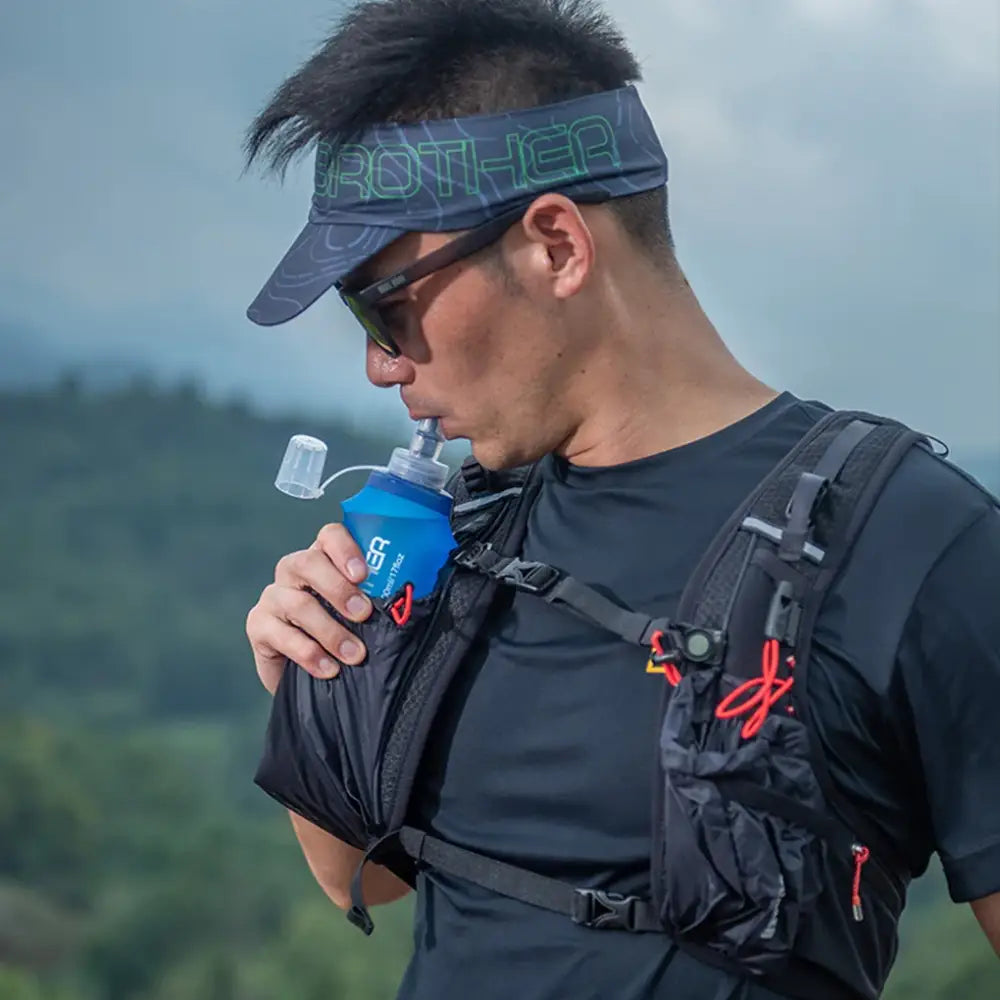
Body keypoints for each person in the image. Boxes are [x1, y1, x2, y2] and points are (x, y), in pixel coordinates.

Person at [242, 1, 1000, 997]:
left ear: (555, 244)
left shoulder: (915, 542)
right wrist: (314, 673)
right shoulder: (463, 528)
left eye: (384, 303)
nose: (382, 365)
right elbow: (366, 879)